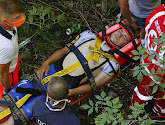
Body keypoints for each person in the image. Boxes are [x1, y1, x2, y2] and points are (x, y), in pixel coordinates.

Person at [0, 22, 138, 124]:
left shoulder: (111, 65)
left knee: (19, 116)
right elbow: (64, 50)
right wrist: (45, 63)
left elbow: (93, 86)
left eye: (124, 37)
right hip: (48, 73)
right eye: (120, 30)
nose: (119, 34)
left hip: (61, 90)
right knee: (9, 98)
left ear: (124, 45)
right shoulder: (88, 35)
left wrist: (69, 93)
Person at [131, 4, 165, 117]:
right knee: (162, 95)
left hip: (146, 61)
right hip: (158, 73)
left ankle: (135, 110)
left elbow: (144, 29)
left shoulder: (160, 12)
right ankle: (158, 112)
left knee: (142, 92)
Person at [0, 0, 25, 96]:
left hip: (9, 58)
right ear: (5, 21)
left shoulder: (8, 23)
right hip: (8, 71)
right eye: (17, 17)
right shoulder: (6, 45)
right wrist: (7, 90)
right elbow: (3, 73)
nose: (21, 18)